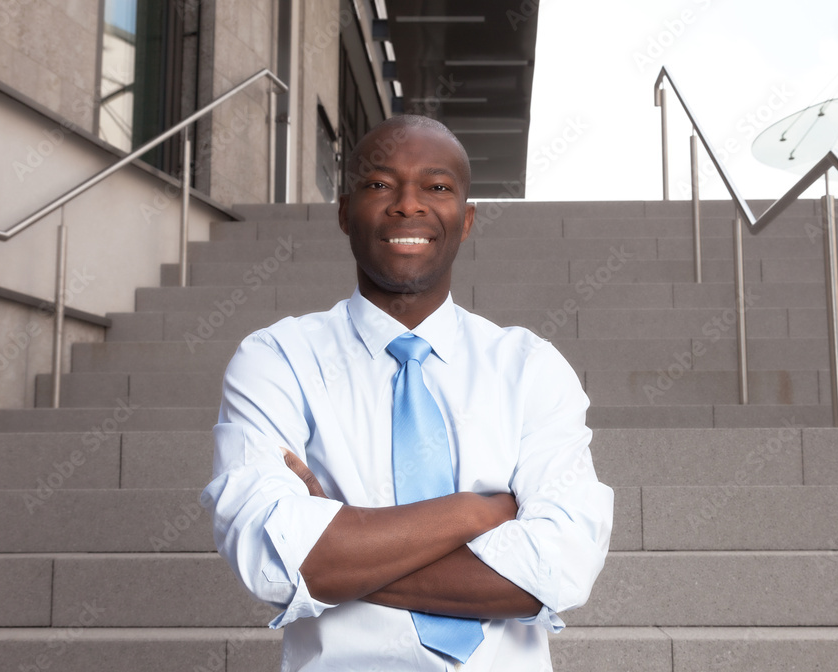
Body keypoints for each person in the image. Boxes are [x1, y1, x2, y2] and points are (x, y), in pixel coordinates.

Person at [201, 114, 614, 671]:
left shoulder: (531, 368)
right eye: (379, 184)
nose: (408, 205)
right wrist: (473, 513)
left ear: (466, 220)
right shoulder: (277, 360)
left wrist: (344, 544)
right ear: (345, 213)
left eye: (437, 187)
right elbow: (272, 559)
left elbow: (557, 572)